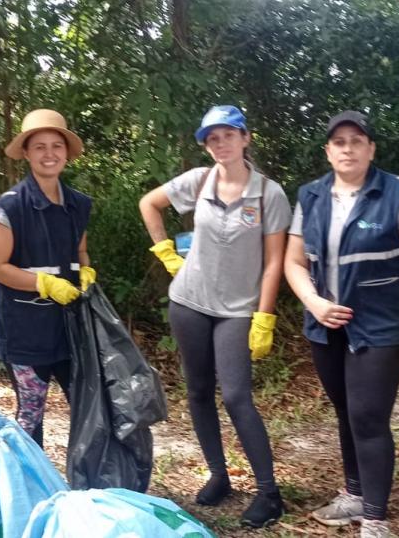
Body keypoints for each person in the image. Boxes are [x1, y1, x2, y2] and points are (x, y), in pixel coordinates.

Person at [283, 111, 399, 538]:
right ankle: (354, 494)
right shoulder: (312, 196)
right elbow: (294, 261)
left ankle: (374, 520)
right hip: (325, 324)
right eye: (339, 141)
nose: (348, 148)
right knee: (346, 411)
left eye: (357, 140)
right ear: (328, 150)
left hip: (382, 325)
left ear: (371, 149)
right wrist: (314, 302)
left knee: (369, 417)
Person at [139, 105, 291, 528]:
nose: (220, 143)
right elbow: (149, 204)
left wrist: (265, 315)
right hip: (189, 301)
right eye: (211, 138)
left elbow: (274, 261)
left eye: (227, 135)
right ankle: (219, 475)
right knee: (198, 391)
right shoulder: (199, 181)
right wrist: (166, 253)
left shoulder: (268, 193)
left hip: (238, 310)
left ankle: (268, 492)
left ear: (245, 138)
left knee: (237, 395)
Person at [0, 109, 95, 448]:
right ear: (27, 154)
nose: (49, 154)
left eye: (56, 145)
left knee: (88, 408)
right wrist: (44, 284)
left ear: (67, 152)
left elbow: (81, 251)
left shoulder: (78, 204)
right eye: (40, 147)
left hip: (71, 329)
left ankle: (87, 486)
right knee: (31, 413)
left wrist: (86, 270)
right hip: (26, 333)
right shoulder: (9, 207)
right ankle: (31, 488)